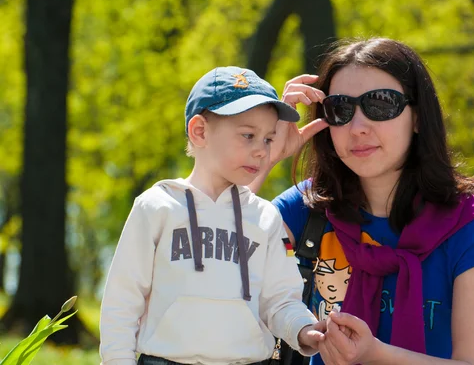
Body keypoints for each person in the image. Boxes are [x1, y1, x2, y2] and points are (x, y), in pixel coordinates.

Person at [249, 38, 474, 364]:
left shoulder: (473, 232)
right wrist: (266, 155)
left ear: (418, 117)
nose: (358, 127)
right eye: (340, 109)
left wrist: (375, 354)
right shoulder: (307, 209)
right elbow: (218, 256)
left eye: (380, 103)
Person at [99, 67, 325, 365]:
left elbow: (281, 299)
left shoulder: (266, 218)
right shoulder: (156, 207)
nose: (261, 151)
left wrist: (305, 329)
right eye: (248, 136)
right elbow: (122, 303)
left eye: (269, 139)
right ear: (200, 131)